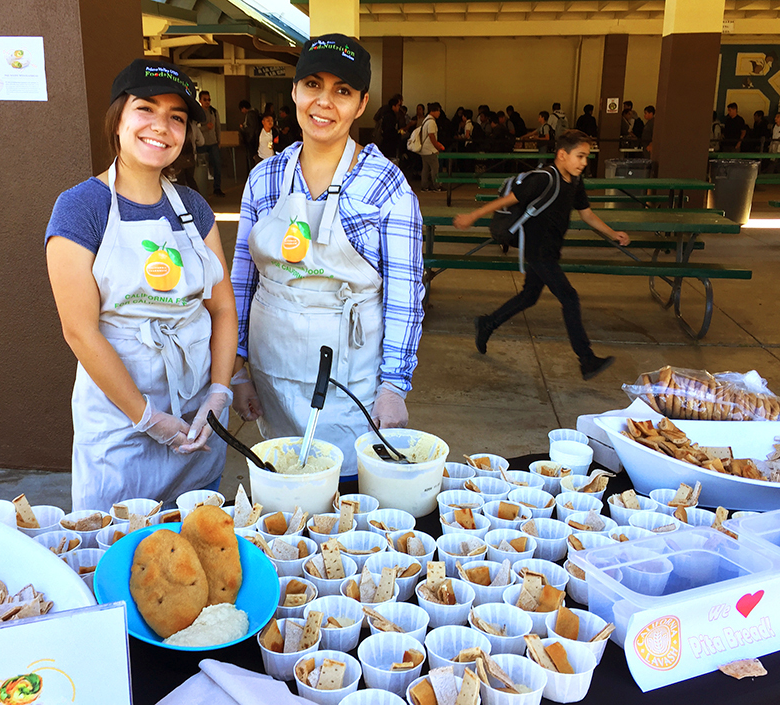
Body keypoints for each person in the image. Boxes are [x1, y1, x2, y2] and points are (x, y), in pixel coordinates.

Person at [45, 59, 237, 510]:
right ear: (118, 119)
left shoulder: (193, 207)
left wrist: (219, 393)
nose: (161, 127)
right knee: (116, 549)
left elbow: (222, 308)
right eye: (146, 109)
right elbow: (80, 330)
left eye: (177, 117)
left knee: (195, 547)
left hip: (196, 420)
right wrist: (148, 417)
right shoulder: (80, 209)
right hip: (119, 425)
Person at [229, 34, 424, 477]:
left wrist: (394, 385)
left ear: (361, 104)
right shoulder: (265, 178)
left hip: (351, 378)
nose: (324, 102)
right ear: (295, 91)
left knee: (345, 492)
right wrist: (237, 367)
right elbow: (243, 279)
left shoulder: (385, 185)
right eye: (313, 85)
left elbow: (405, 294)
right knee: (283, 496)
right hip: (272, 371)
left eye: (342, 91)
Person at [453, 129, 629, 381]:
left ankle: (486, 324)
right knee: (569, 297)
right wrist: (473, 216)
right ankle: (586, 358)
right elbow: (506, 201)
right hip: (538, 251)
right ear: (562, 154)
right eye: (580, 156)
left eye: (586, 157)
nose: (584, 162)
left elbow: (587, 214)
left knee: (529, 296)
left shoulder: (576, 182)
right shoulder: (544, 178)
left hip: (550, 250)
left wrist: (613, 234)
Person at [197, 91, 225, 197]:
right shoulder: (198, 112)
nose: (207, 102)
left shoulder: (214, 111)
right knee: (201, 168)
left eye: (209, 99)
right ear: (200, 101)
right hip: (201, 143)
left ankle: (217, 188)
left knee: (217, 165)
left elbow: (218, 127)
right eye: (205, 99)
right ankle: (201, 189)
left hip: (213, 143)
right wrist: (205, 127)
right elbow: (195, 128)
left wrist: (219, 140)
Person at [419, 102, 445, 191]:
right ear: (433, 111)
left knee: (425, 169)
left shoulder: (426, 120)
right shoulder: (431, 122)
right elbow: (431, 136)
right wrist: (437, 146)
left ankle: (425, 186)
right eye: (438, 111)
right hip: (430, 150)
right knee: (435, 168)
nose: (439, 113)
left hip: (424, 149)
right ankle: (436, 186)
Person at [239, 100, 261, 171]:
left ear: (244, 108)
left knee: (251, 159)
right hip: (256, 139)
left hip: (251, 140)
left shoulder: (250, 114)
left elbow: (250, 128)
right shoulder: (256, 113)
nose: (242, 112)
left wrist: (243, 128)